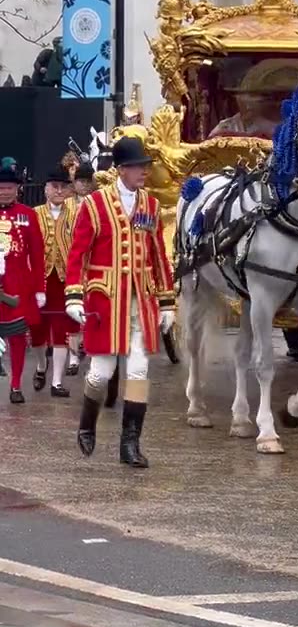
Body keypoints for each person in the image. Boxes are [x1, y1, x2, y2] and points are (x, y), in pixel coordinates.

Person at [65, 137, 175, 469]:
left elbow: (159, 256)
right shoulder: (95, 204)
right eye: (139, 167)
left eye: (145, 166)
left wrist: (168, 302)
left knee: (139, 370)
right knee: (102, 372)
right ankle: (87, 423)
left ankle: (130, 443)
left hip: (141, 301)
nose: (144, 172)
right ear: (122, 170)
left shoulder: (151, 206)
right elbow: (78, 254)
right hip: (106, 301)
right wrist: (73, 294)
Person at [30, 166, 78, 397]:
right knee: (37, 330)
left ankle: (56, 382)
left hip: (64, 278)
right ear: (46, 189)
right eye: (54, 187)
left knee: (61, 329)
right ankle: (41, 366)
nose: (59, 191)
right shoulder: (33, 214)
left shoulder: (76, 214)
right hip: (38, 279)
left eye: (63, 187)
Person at [0, 161, 45, 403]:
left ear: (17, 189)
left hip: (17, 287)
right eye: (0, 187)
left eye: (9, 187)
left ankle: (16, 384)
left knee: (17, 339)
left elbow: (37, 256)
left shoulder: (28, 215)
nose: (4, 191)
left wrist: (40, 289)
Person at [63, 161, 97, 376]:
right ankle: (73, 357)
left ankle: (91, 350)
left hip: (93, 265)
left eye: (87, 181)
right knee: (72, 314)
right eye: (80, 181)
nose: (84, 185)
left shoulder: (98, 203)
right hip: (71, 261)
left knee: (92, 311)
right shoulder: (66, 205)